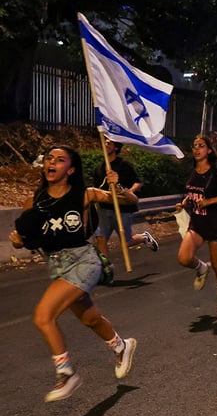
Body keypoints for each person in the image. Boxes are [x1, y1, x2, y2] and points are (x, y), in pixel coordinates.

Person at [9, 146, 138, 402]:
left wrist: (118, 186)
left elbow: (130, 202)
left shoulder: (85, 194)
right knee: (90, 319)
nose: (51, 163)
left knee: (44, 316)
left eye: (59, 160)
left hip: (83, 260)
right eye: (48, 159)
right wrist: (16, 241)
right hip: (55, 265)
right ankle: (122, 346)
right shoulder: (33, 201)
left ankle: (66, 373)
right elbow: (22, 239)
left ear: (70, 169)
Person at [176, 135, 217, 314]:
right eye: (195, 146)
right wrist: (185, 201)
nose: (196, 149)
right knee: (183, 258)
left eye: (201, 146)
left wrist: (211, 201)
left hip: (214, 224)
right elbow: (192, 192)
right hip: (197, 223)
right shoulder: (192, 171)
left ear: (209, 150)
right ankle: (202, 268)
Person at [93, 139, 158, 256]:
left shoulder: (124, 165)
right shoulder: (99, 168)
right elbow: (96, 189)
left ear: (116, 148)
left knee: (126, 242)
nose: (106, 145)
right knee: (101, 242)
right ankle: (104, 269)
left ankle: (144, 237)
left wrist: (127, 194)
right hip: (104, 209)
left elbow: (138, 182)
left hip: (122, 209)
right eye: (105, 143)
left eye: (109, 143)